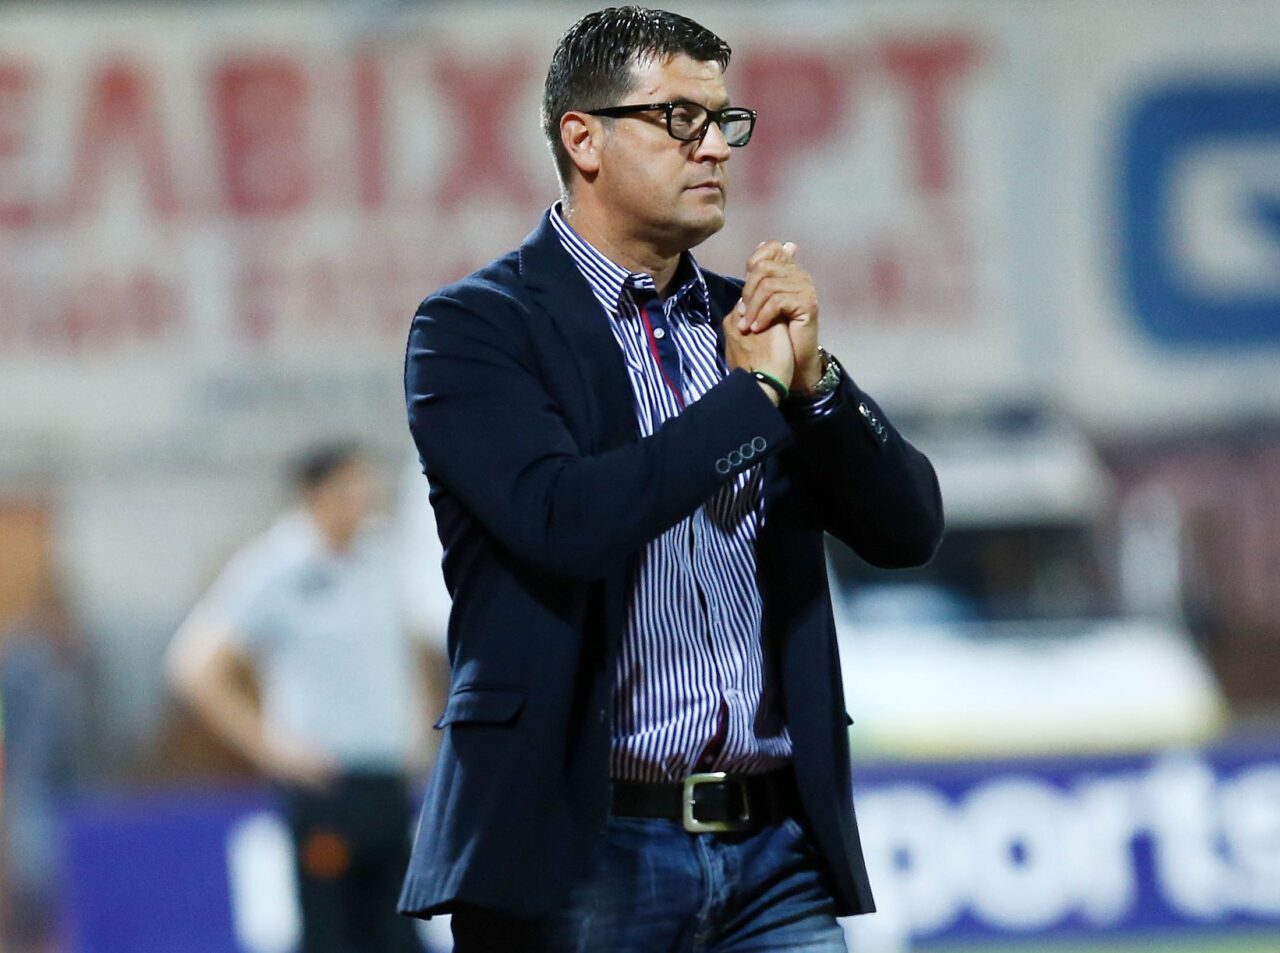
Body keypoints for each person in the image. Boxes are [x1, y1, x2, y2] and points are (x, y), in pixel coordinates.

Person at [398, 7, 944, 951]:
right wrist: (752, 397)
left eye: (723, 121)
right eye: (680, 119)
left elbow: (909, 529)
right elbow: (565, 520)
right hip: (581, 848)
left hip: (774, 846)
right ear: (584, 139)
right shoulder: (475, 329)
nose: (716, 148)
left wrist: (816, 385)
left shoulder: (750, 326)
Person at [167, 444, 428, 953]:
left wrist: (421, 720)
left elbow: (413, 643)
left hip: (388, 783)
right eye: (351, 485)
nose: (365, 496)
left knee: (398, 933)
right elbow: (194, 667)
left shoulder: (380, 556)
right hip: (326, 787)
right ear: (316, 494)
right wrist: (270, 748)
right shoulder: (277, 566)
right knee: (331, 936)